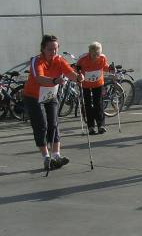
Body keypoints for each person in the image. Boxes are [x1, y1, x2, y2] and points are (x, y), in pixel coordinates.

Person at [22, 34, 83, 171]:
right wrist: (55, 80)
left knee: (54, 124)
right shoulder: (37, 60)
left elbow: (70, 73)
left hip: (50, 95)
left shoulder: (59, 59)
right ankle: (46, 157)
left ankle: (56, 155)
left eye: (55, 49)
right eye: (50, 49)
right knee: (41, 125)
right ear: (43, 48)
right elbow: (39, 78)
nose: (53, 52)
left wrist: (78, 78)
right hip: (33, 96)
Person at [76, 42, 115, 135]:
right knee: (88, 105)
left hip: (98, 83)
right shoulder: (83, 59)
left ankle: (101, 125)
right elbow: (77, 68)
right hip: (86, 85)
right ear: (90, 52)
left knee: (99, 104)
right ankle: (91, 127)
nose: (96, 57)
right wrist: (78, 74)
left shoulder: (102, 57)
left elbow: (104, 66)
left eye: (98, 54)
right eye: (94, 54)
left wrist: (110, 69)